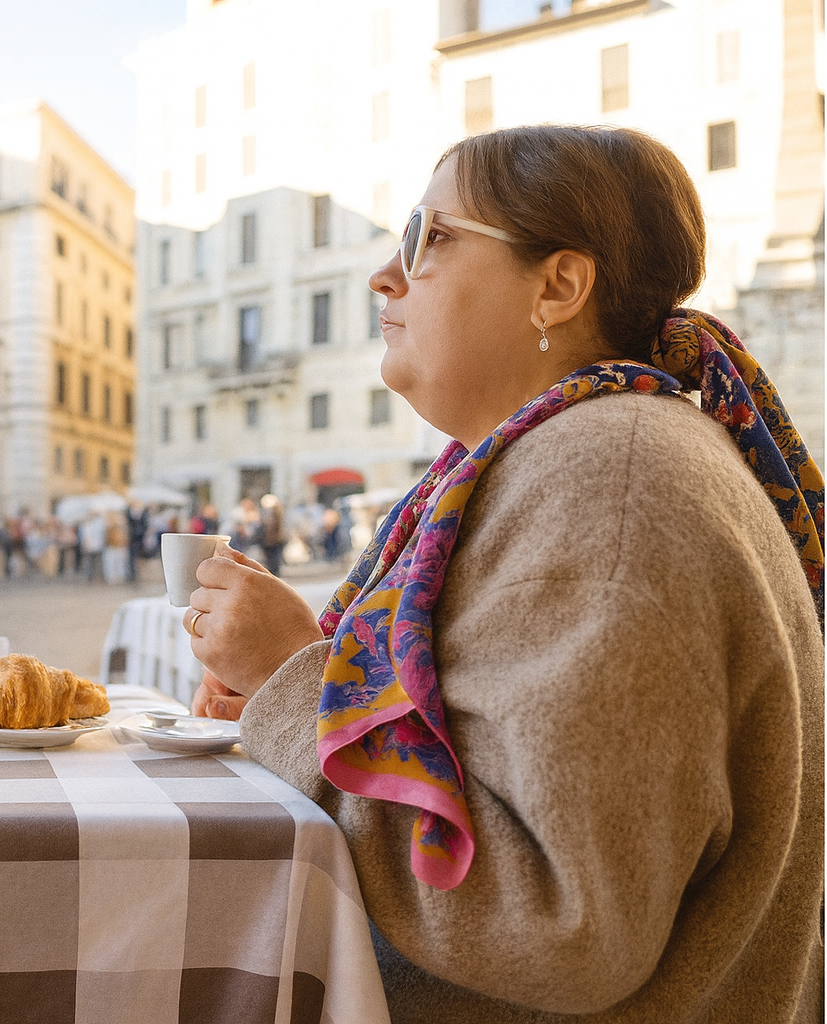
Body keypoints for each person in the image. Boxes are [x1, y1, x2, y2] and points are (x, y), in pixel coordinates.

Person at [182, 126, 823, 1022]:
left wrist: (294, 682)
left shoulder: (610, 480)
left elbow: (559, 924)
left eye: (429, 238)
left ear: (557, 286)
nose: (384, 274)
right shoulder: (582, 456)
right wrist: (280, 697)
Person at [258, 494, 286, 578]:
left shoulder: (275, 513)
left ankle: (274, 574)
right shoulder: (277, 512)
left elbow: (272, 526)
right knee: (272, 559)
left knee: (273, 559)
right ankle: (274, 574)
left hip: (273, 539)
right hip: (272, 539)